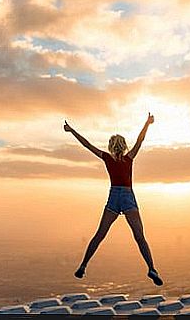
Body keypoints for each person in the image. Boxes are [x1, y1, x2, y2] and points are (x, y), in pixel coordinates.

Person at [64, 113, 163, 286]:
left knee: (100, 235)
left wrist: (72, 130)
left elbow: (87, 144)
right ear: (124, 146)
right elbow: (140, 141)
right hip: (127, 196)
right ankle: (151, 268)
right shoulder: (129, 158)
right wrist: (147, 123)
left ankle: (83, 265)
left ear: (111, 146)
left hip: (113, 197)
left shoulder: (107, 158)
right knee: (139, 236)